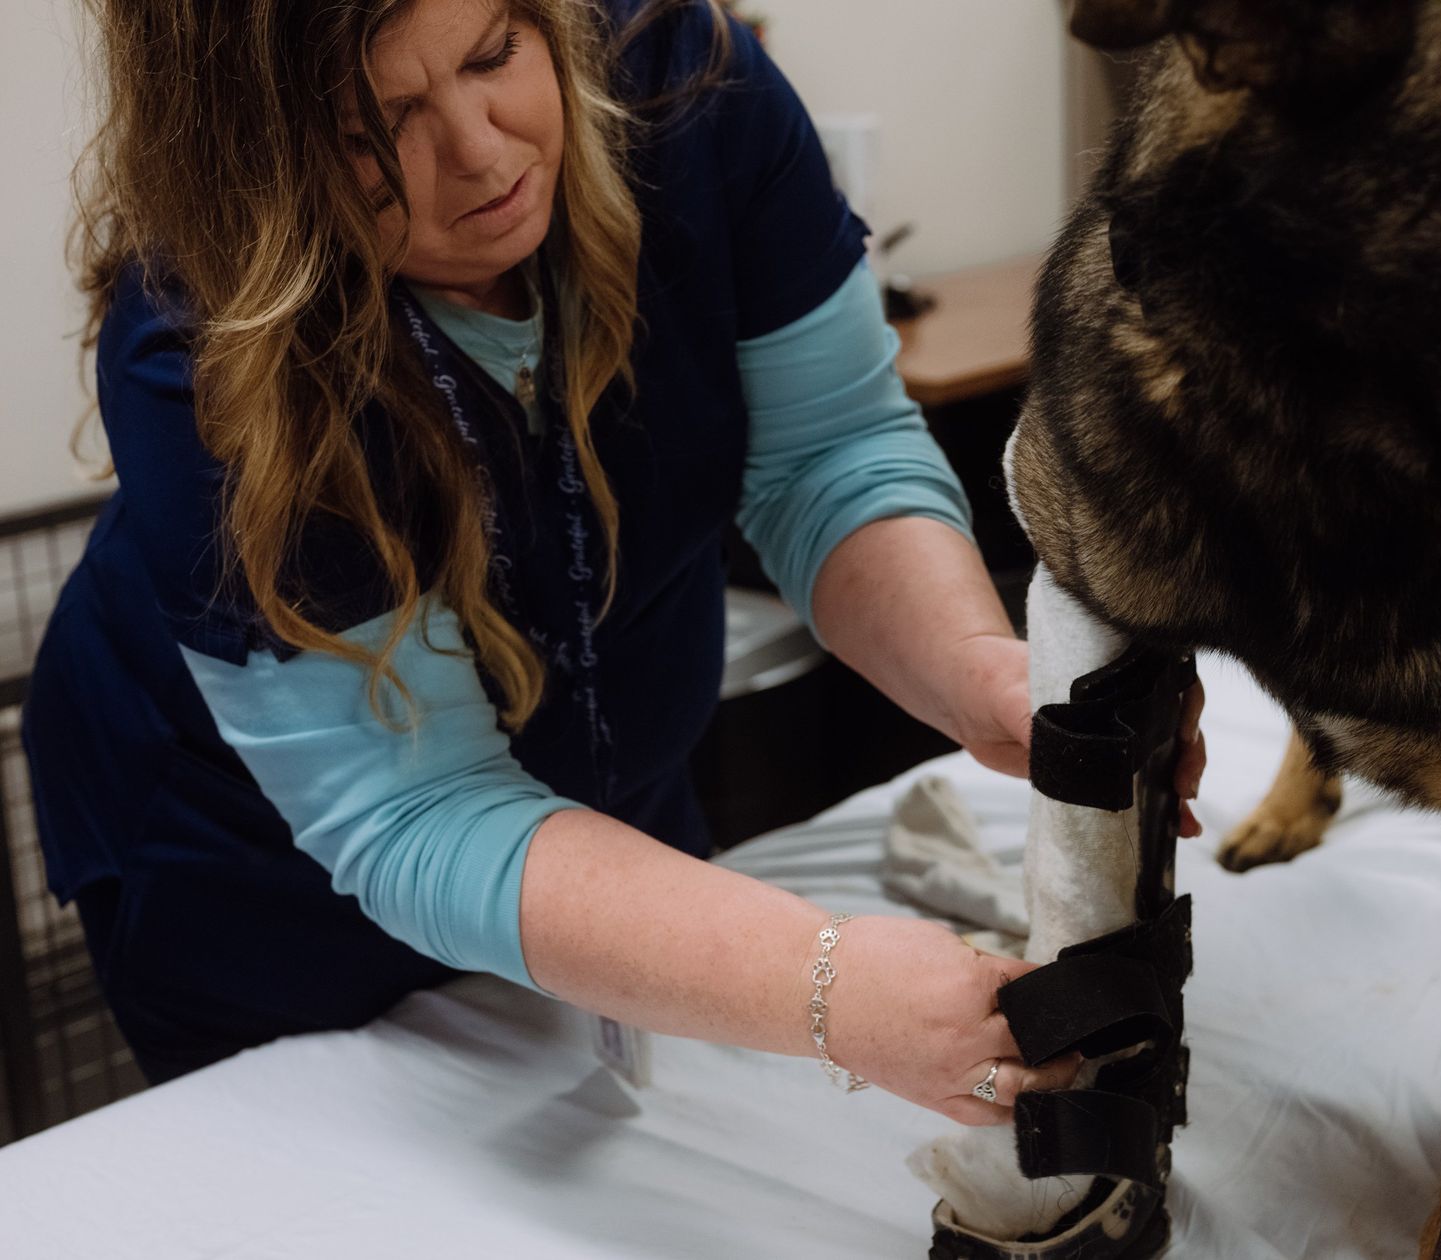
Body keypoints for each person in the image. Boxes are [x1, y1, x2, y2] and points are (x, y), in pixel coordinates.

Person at [22, 0, 1208, 1126]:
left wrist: (981, 675)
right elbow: (418, 808)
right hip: (255, 882)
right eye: (373, 129)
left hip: (604, 792)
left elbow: (828, 460)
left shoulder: (682, 81)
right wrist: (825, 982)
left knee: (660, 1110)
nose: (482, 155)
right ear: (260, 164)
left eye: (493, 53)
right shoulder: (198, 343)